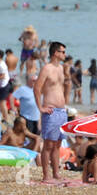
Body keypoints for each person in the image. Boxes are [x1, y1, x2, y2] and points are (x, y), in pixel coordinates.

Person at [32, 41, 69, 182]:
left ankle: (56, 174)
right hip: (51, 110)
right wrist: (40, 107)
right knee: (48, 144)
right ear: (55, 53)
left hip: (61, 111)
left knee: (58, 144)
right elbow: (37, 88)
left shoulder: (61, 68)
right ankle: (46, 175)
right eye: (63, 51)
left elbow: (61, 88)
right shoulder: (47, 68)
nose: (65, 54)